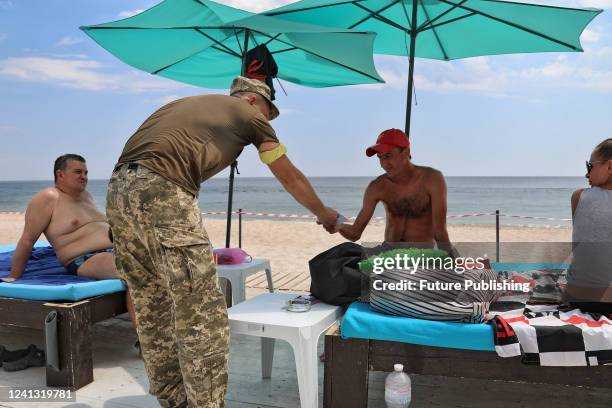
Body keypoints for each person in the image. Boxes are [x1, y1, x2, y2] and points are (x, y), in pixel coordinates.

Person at [106, 76, 339, 408]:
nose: (266, 124)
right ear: (255, 102)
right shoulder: (248, 114)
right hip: (163, 191)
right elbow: (287, 173)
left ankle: (174, 402)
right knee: (201, 312)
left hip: (118, 192)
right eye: (269, 116)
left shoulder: (185, 106)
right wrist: (323, 212)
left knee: (151, 306)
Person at [2, 154, 135, 322]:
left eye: (86, 172)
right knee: (138, 272)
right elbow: (28, 239)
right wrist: (15, 275)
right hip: (87, 258)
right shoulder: (49, 197)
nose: (84, 177)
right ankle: (146, 342)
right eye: (78, 172)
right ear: (60, 174)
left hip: (118, 250)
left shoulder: (86, 196)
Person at [331, 128, 452, 252]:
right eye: (380, 157)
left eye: (388, 156)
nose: (384, 164)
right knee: (337, 255)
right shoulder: (377, 187)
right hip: (388, 251)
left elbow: (440, 232)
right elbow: (355, 233)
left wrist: (455, 262)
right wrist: (338, 225)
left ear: (406, 152)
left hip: (421, 254)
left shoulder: (432, 179)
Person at [565, 138, 612, 313]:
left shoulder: (578, 197)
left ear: (609, 166)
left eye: (590, 167)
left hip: (577, 296)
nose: (586, 174)